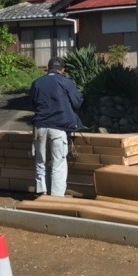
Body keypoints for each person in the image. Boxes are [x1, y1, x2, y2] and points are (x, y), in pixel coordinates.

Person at [30, 57, 85, 197]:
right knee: (58, 163)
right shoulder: (66, 82)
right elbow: (77, 102)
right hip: (58, 127)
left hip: (39, 127)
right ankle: (56, 196)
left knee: (40, 161)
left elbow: (32, 103)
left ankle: (41, 192)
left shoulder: (37, 83)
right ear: (63, 70)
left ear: (47, 69)